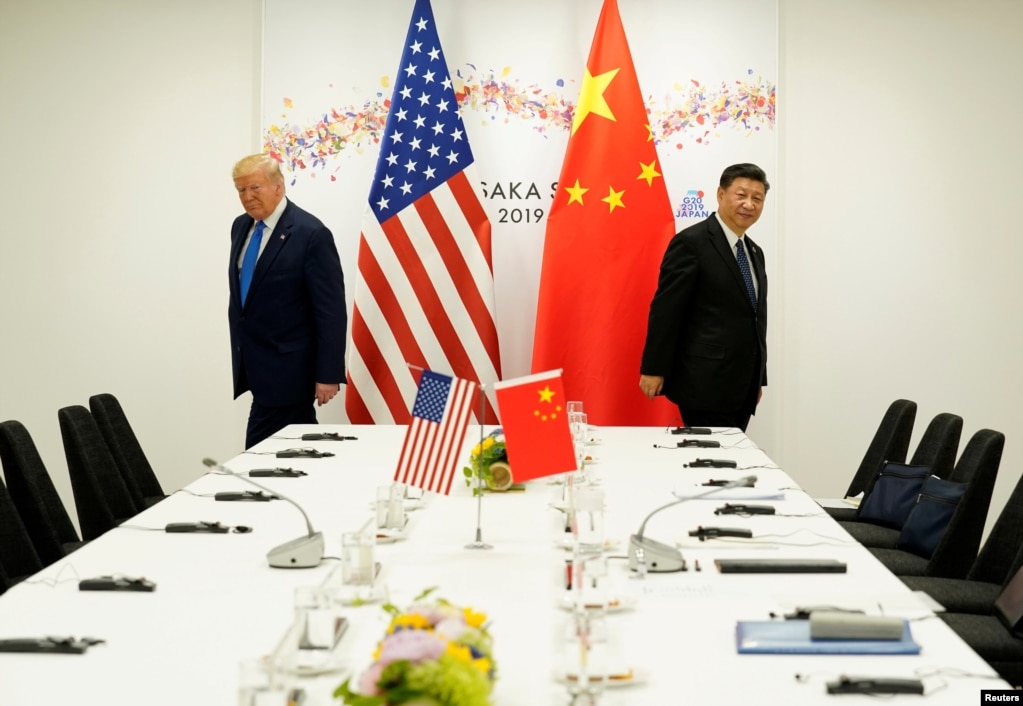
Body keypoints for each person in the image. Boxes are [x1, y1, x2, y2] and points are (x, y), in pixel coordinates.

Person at [228, 154, 347, 448]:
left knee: (258, 456)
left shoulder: (311, 234)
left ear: (278, 186)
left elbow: (330, 310)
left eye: (255, 188)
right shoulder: (240, 227)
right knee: (294, 452)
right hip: (256, 364)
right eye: (241, 190)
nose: (247, 197)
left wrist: (328, 374)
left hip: (290, 368)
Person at [639, 163, 769, 432]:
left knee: (731, 461)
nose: (749, 204)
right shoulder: (692, 243)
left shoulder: (754, 252)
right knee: (709, 463)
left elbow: (756, 318)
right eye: (741, 194)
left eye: (757, 198)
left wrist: (758, 379)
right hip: (704, 382)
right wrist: (653, 368)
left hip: (743, 387)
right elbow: (666, 311)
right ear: (721, 195)